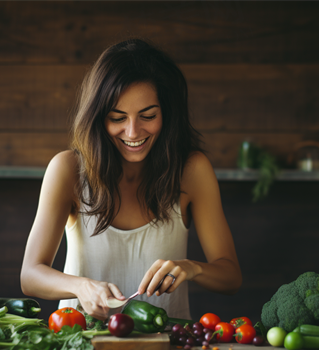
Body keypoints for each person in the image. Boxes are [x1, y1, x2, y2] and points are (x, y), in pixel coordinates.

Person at [20, 38, 242, 321]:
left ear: (167, 114)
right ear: (98, 118)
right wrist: (81, 286)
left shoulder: (192, 171)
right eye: (118, 118)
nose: (133, 132)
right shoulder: (67, 169)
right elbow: (30, 275)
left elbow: (231, 277)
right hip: (78, 345)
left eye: (148, 115)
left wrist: (191, 268)